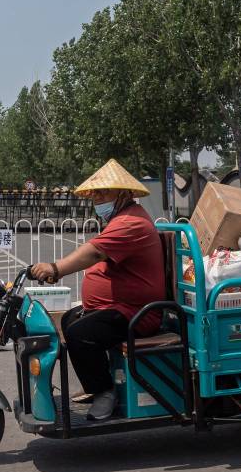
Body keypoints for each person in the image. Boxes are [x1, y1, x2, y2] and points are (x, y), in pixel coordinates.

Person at [31, 159, 165, 420]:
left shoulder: (131, 222)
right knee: (69, 321)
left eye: (104, 193)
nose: (97, 198)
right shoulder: (121, 218)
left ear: (123, 194)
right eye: (95, 193)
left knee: (81, 333)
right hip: (120, 308)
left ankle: (104, 392)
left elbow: (94, 253)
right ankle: (96, 383)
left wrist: (55, 269)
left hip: (138, 313)